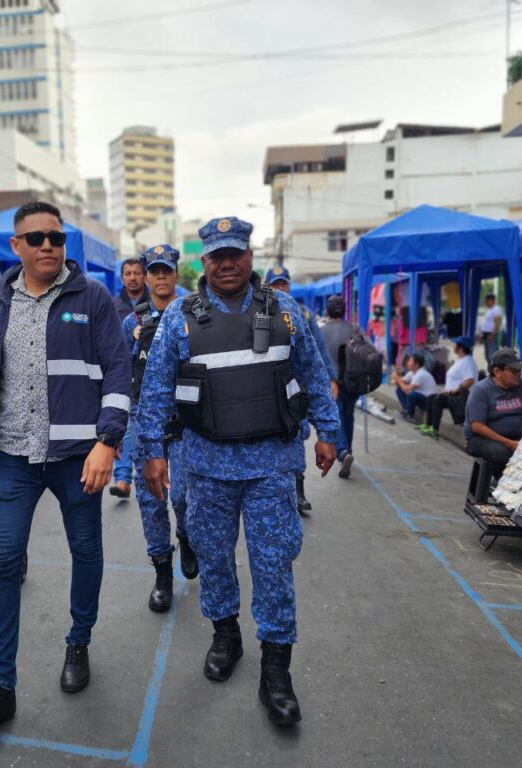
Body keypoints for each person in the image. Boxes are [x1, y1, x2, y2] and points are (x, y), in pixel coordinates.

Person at [137, 216, 339, 727]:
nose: (227, 264)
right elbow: (157, 387)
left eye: (236, 254)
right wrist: (151, 452)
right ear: (203, 262)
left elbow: (314, 372)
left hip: (272, 466)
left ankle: (277, 669)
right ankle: (225, 636)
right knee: (216, 559)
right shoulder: (181, 315)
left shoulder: (284, 308)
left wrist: (330, 432)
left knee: (274, 566)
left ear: (251, 256)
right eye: (216, 257)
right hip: (206, 467)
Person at [0, 201, 131, 736]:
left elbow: (119, 372)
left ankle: (78, 643)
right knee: (4, 563)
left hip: (78, 457)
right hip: (10, 457)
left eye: (55, 237)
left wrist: (107, 441)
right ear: (17, 247)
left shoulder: (92, 298)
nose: (47, 246)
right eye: (35, 238)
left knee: (86, 552)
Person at [124, 244, 198, 612]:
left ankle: (186, 536)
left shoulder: (193, 313)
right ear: (147, 276)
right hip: (145, 424)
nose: (160, 277)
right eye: (153, 271)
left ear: (175, 273)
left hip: (185, 422)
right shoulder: (133, 321)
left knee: (183, 495)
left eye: (166, 270)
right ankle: (162, 573)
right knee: (151, 502)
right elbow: (123, 371)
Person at [265, 266, 335, 513]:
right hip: (273, 393)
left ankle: (299, 490)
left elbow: (317, 352)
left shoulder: (302, 314)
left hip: (298, 393)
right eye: (275, 285)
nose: (281, 289)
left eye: (284, 284)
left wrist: (331, 379)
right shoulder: (258, 313)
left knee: (297, 439)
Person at [110, 259, 150, 497]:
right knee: (124, 423)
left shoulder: (154, 304)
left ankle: (142, 474)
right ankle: (123, 477)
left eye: (137, 273)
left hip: (149, 374)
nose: (133, 277)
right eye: (128, 273)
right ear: (122, 278)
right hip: (122, 373)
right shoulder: (112, 305)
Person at [463, 348, 522, 481]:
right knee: (501, 453)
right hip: (481, 439)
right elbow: (477, 426)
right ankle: (502, 486)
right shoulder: (481, 390)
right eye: (514, 371)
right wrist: (509, 443)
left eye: (519, 370)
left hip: (514, 437)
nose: (519, 374)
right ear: (497, 372)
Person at [320, 294, 360, 479]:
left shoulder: (321, 331)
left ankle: (343, 452)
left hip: (331, 382)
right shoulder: (355, 330)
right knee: (348, 416)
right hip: (352, 382)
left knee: (337, 419)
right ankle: (347, 450)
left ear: (327, 311)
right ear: (344, 311)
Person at [418, 336, 478, 440]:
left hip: (460, 397)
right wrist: (447, 390)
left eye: (455, 345)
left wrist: (454, 391)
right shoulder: (460, 360)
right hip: (452, 393)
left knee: (438, 400)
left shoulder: (467, 361)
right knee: (430, 398)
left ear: (461, 348)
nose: (453, 346)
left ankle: (435, 430)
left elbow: (469, 381)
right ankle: (428, 425)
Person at [391, 352, 437, 423]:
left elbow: (407, 390)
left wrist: (397, 379)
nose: (408, 363)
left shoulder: (421, 374)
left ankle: (410, 415)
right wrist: (397, 375)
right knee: (399, 389)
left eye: (410, 361)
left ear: (417, 364)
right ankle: (406, 410)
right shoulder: (412, 372)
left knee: (411, 394)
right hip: (420, 397)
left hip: (429, 401)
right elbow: (400, 382)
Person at [478, 293, 504, 361]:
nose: (485, 302)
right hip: (486, 334)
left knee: (492, 354)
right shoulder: (489, 310)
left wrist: (492, 334)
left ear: (491, 300)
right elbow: (486, 323)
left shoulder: (497, 309)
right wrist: (481, 334)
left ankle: (495, 370)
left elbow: (497, 323)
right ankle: (490, 369)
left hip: (491, 334)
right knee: (487, 355)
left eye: (486, 301)